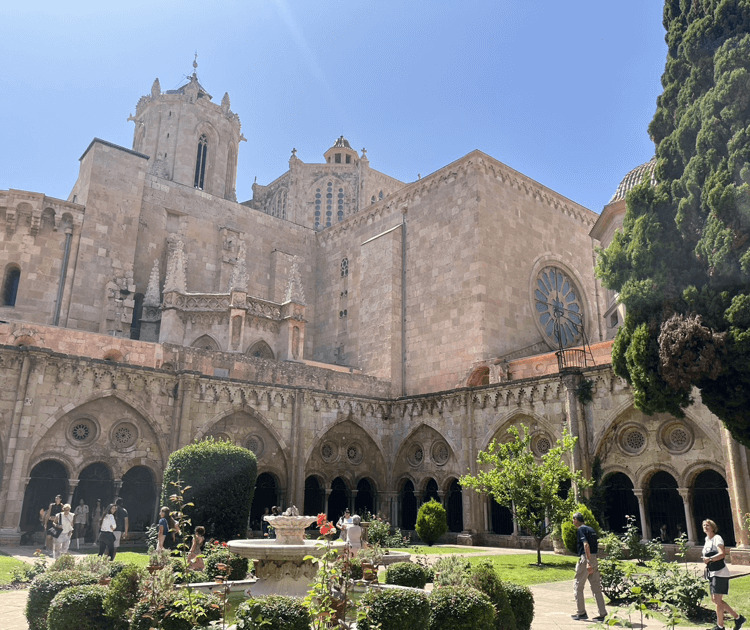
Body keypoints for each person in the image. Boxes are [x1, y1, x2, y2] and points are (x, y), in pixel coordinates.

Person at [702, 519, 745, 630]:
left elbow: (722, 554)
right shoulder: (707, 540)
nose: (705, 527)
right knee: (715, 600)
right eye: (704, 525)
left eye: (707, 525)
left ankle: (731, 620)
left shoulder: (717, 538)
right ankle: (730, 621)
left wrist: (710, 559)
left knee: (717, 600)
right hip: (712, 572)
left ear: (713, 527)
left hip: (720, 573)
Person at [571, 512, 607, 622]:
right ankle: (603, 614)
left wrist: (588, 562)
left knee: (578, 586)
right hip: (594, 558)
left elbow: (586, 545)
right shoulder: (591, 529)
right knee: (596, 587)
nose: (573, 522)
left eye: (573, 519)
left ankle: (581, 612)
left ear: (576, 519)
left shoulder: (581, 529)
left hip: (586, 559)